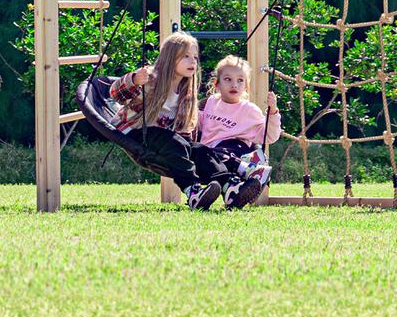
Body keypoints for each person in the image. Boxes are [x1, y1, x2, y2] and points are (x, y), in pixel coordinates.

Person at [109, 32, 232, 210]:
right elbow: (116, 94)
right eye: (186, 57)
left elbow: (182, 131)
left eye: (195, 57)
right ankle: (193, 191)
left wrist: (191, 150)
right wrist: (134, 79)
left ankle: (228, 186)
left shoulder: (185, 90)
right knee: (174, 142)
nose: (193, 62)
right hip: (135, 132)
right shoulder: (150, 78)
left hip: (164, 139)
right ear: (169, 58)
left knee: (200, 150)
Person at [197, 56, 281, 210]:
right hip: (210, 154)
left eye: (240, 80)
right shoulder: (211, 102)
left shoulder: (249, 110)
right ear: (217, 84)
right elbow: (199, 123)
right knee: (202, 153)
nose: (234, 84)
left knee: (217, 153)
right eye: (228, 79)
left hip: (236, 149)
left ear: (246, 86)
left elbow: (270, 136)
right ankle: (234, 196)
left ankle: (249, 168)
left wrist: (273, 112)